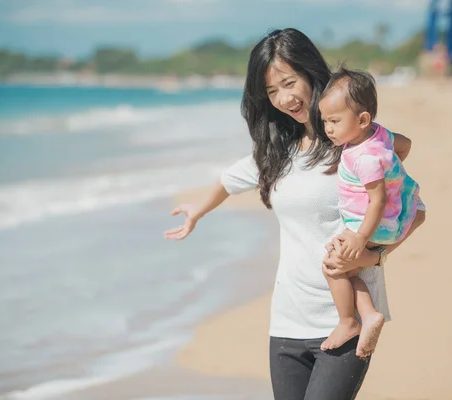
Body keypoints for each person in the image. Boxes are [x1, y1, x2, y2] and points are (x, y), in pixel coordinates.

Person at [164, 28, 425, 400]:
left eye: (290, 82)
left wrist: (377, 254)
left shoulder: (355, 145)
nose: (284, 98)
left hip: (346, 321)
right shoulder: (277, 152)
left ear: (310, 73)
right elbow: (230, 178)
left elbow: (414, 211)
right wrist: (197, 211)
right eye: (272, 91)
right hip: (287, 321)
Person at [317, 67, 424, 358]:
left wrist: (360, 238)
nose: (328, 128)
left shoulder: (363, 158)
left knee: (333, 267)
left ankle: (349, 321)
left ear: (362, 119)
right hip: (394, 218)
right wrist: (393, 167)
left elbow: (376, 201)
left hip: (375, 227)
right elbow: (406, 145)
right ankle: (370, 314)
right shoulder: (379, 136)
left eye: (335, 121)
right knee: (349, 270)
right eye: (325, 120)